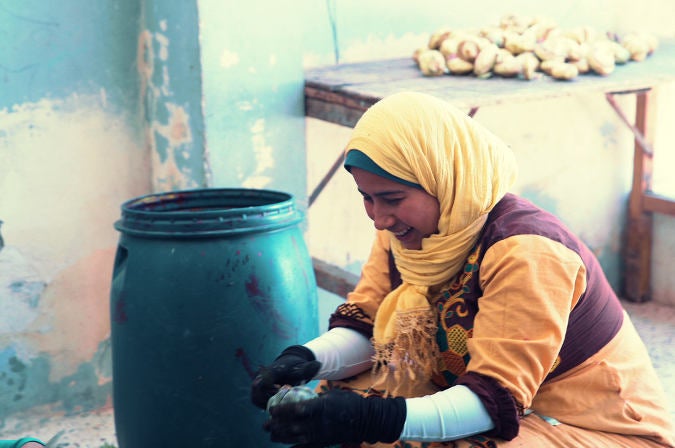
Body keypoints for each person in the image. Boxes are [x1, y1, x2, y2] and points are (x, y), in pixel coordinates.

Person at [251, 91, 675, 447]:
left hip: (590, 425)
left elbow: (493, 398)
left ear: (443, 179)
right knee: (343, 394)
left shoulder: (527, 252)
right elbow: (370, 329)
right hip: (500, 400)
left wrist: (372, 418)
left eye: (393, 199)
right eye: (367, 197)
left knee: (387, 424)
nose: (378, 218)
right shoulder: (408, 235)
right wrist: (307, 359)